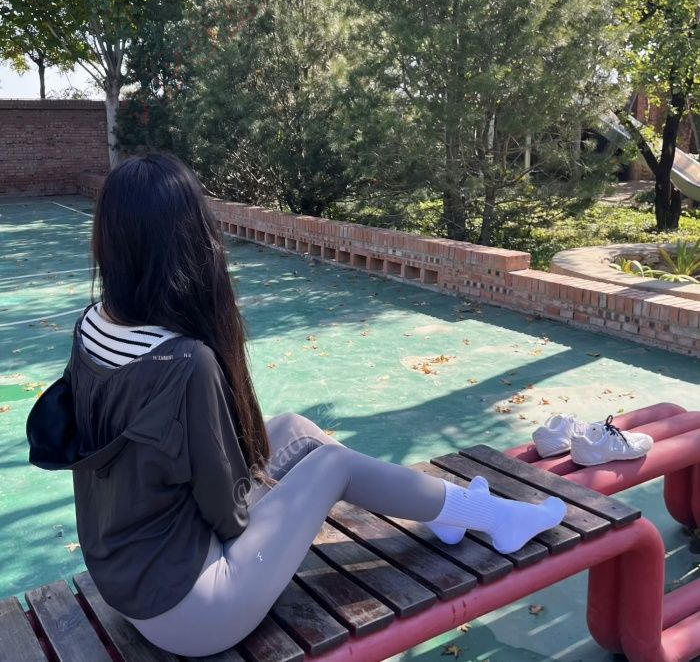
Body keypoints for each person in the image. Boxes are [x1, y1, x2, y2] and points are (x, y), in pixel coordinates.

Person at [26, 151, 566, 658]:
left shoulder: (93, 326)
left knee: (293, 429)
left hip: (125, 576)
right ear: (187, 242)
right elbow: (229, 515)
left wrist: (275, 491)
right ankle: (497, 517)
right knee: (331, 464)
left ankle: (451, 513)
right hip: (192, 610)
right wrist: (287, 503)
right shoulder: (184, 361)